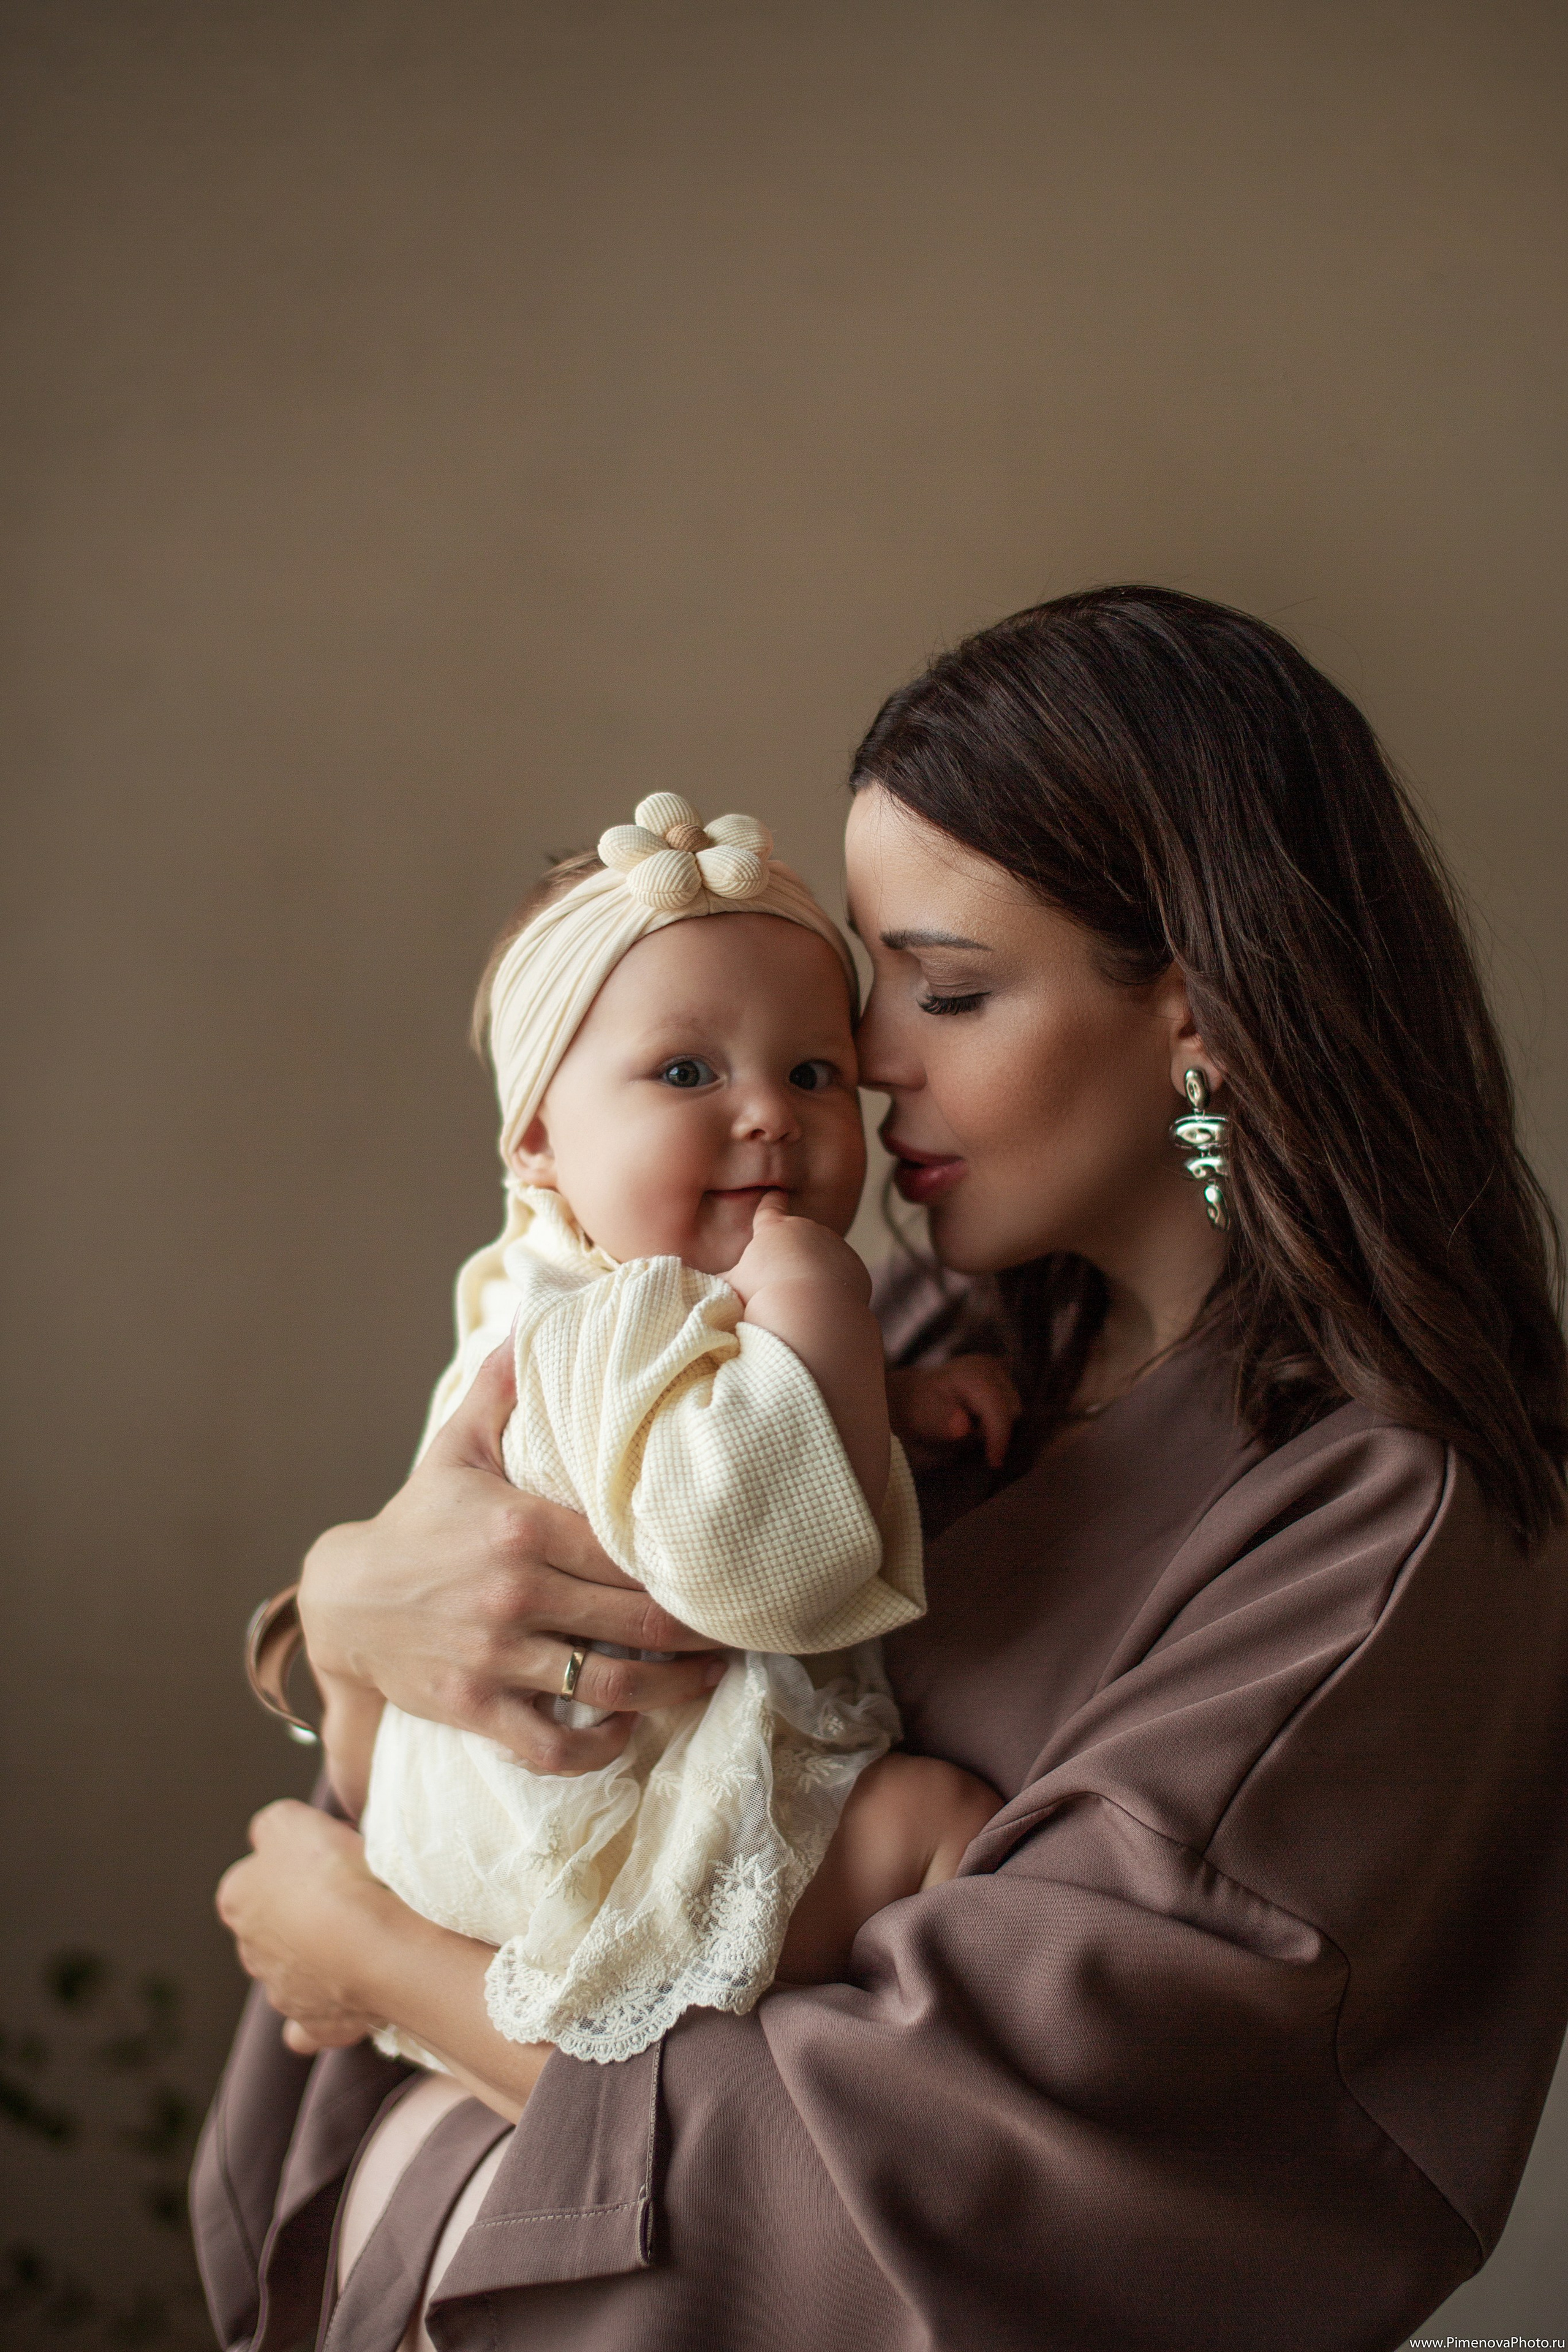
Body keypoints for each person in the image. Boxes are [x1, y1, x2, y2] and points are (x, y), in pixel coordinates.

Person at [199, 587, 1568, 2352]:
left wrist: (390, 1968)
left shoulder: (1385, 1528)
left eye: (951, 990)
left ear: (1200, 1017)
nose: (866, 1063)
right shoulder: (928, 1339)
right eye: (869, 985)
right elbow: (524, 1762)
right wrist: (341, 1615)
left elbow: (983, 2159)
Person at [331, 797, 1003, 2090]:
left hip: (534, 1813)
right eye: (687, 1074)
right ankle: (904, 2101)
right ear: (537, 1135)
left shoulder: (604, 1286)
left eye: (812, 1074)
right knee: (938, 1832)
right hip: (586, 1844)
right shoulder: (585, 1326)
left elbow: (716, 1414)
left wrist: (885, 1390)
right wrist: (820, 1303)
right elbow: (763, 1565)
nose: (770, 1116)